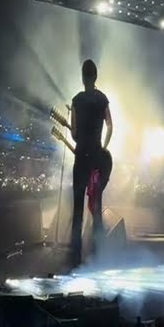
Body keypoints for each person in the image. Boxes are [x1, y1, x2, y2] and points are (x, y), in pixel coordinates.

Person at [59, 59, 114, 267]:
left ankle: (75, 260)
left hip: (81, 157)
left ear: (82, 78)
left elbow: (73, 135)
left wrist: (77, 129)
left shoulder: (76, 100)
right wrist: (105, 146)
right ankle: (99, 256)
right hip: (97, 157)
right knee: (97, 207)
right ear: (96, 77)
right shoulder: (102, 99)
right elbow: (110, 126)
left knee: (78, 210)